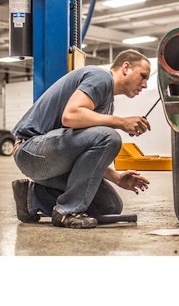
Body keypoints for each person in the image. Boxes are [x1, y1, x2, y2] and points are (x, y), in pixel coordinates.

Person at [11, 49, 153, 229]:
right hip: (30, 151)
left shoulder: (107, 105)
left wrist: (116, 177)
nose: (145, 84)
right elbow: (70, 116)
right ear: (126, 67)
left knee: (110, 205)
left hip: (53, 161)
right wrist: (121, 122)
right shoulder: (101, 77)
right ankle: (66, 211)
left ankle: (32, 197)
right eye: (143, 76)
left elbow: (87, 157)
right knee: (110, 137)